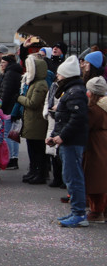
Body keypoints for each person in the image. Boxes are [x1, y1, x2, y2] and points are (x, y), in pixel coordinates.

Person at [49, 55, 90, 227]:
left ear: (65, 75)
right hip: (69, 140)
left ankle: (79, 213)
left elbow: (77, 118)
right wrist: (54, 135)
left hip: (72, 141)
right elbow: (66, 118)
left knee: (73, 177)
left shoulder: (75, 92)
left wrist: (62, 136)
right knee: (70, 176)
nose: (57, 77)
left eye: (59, 75)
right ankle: (76, 211)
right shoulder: (73, 91)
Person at [18, 55, 50, 184]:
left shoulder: (40, 85)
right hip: (32, 121)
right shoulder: (35, 84)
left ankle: (39, 174)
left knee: (38, 151)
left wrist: (19, 98)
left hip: (37, 122)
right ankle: (34, 172)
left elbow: (33, 103)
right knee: (33, 149)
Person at [84, 77, 107, 222]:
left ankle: (96, 210)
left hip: (95, 143)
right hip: (103, 141)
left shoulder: (93, 110)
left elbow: (85, 125)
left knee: (95, 177)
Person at [0, 53, 23, 170]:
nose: (1, 65)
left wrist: (1, 107)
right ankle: (14, 158)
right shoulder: (15, 72)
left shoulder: (9, 74)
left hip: (8, 108)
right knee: (13, 134)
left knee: (7, 134)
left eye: (3, 63)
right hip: (14, 107)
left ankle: (11, 159)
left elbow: (5, 93)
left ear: (8, 64)